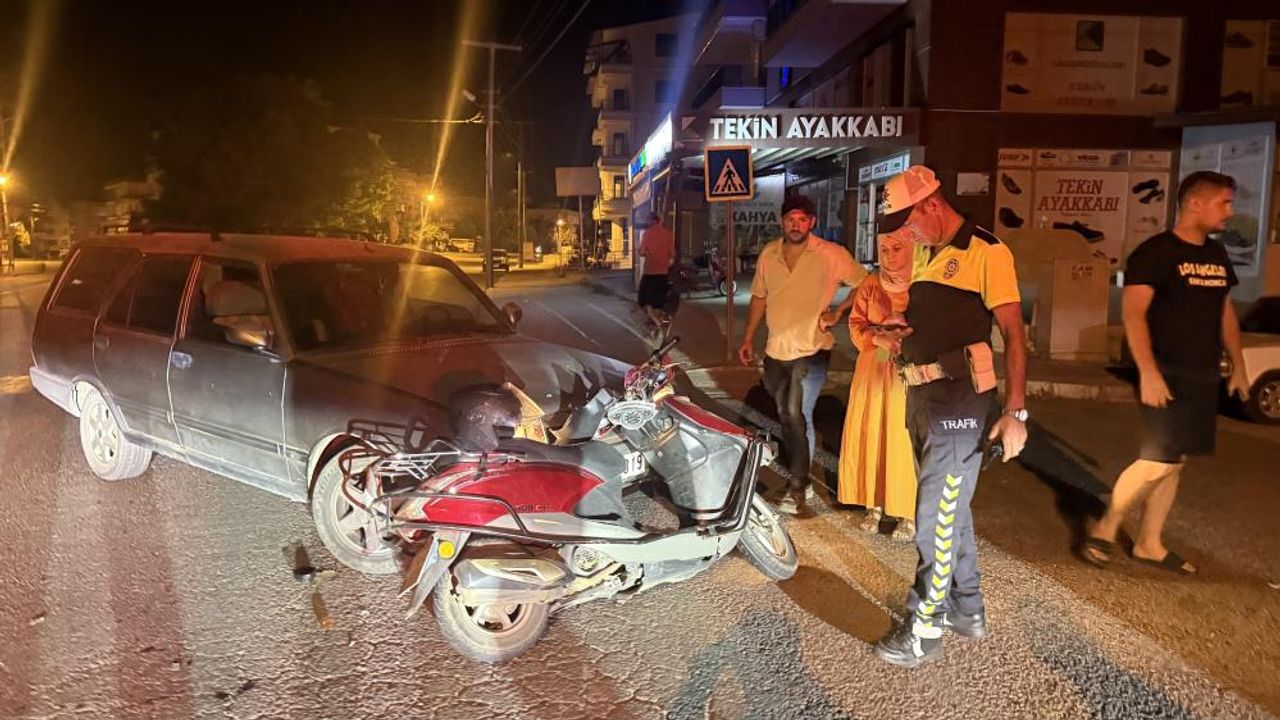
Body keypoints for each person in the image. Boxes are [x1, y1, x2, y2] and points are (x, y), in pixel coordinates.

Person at [868, 165, 1028, 668]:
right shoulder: (925, 256)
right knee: (949, 510)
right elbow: (931, 318)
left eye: (909, 223)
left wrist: (1016, 410)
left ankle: (925, 628)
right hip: (921, 397)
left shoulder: (987, 252)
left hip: (960, 401)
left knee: (934, 517)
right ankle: (968, 607)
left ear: (932, 205)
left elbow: (1015, 334)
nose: (906, 235)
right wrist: (898, 328)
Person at [1082, 171, 1248, 576]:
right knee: (1157, 460)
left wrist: (1239, 364)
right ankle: (1105, 527)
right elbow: (1133, 315)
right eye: (1224, 202)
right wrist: (1149, 372)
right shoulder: (1156, 252)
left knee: (1176, 461)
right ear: (1195, 203)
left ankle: (1149, 544)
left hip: (1201, 374)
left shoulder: (1216, 254)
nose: (1230, 211)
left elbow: (1224, 310)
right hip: (1164, 371)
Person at [739, 194, 867, 515]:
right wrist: (748, 337)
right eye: (790, 219)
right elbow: (759, 297)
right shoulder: (769, 254)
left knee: (796, 412)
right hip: (776, 351)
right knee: (787, 415)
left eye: (802, 219)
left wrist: (839, 311)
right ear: (782, 221)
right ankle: (799, 474)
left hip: (811, 350)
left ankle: (799, 484)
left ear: (812, 222)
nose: (796, 225)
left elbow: (865, 282)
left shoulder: (830, 254)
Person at [835, 230, 918, 541]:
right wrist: (876, 337)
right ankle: (875, 504)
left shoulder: (923, 284)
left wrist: (903, 337)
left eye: (897, 248)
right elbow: (856, 323)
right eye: (884, 249)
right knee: (871, 433)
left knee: (901, 437)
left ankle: (907, 510)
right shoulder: (871, 283)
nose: (889, 255)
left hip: (908, 367)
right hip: (873, 364)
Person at [637, 212, 675, 338]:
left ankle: (655, 321)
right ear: (660, 221)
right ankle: (658, 321)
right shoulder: (668, 234)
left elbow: (642, 252)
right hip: (663, 273)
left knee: (645, 300)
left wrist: (648, 253)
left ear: (651, 221)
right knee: (659, 301)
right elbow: (672, 255)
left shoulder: (648, 233)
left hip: (650, 273)